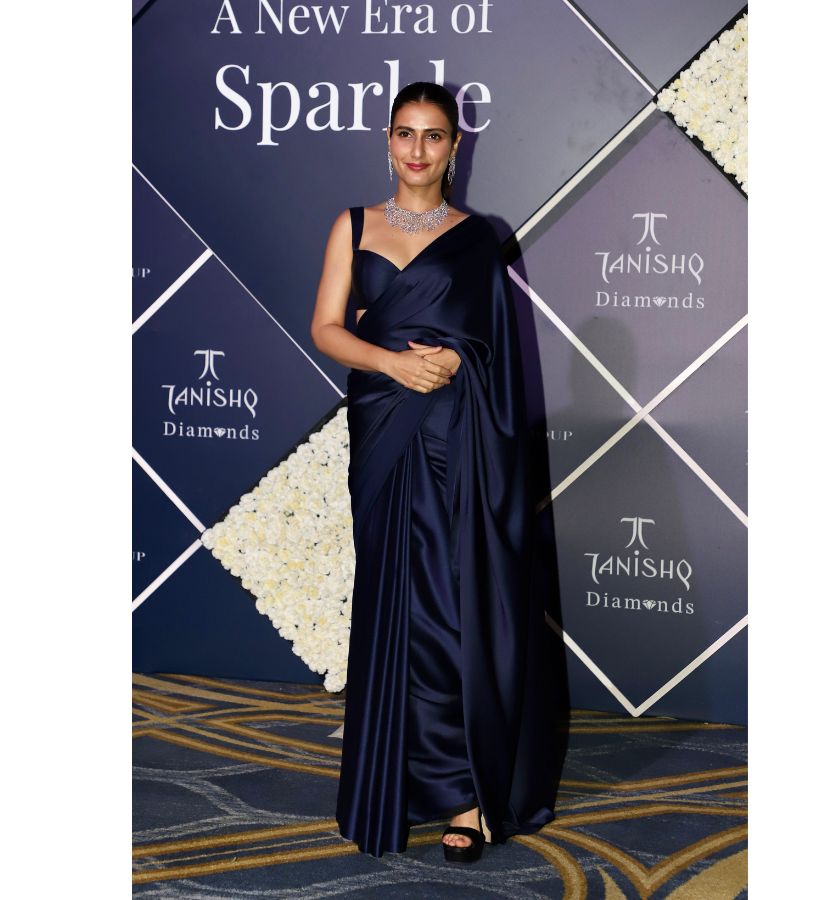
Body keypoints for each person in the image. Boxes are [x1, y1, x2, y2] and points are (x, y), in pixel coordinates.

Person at [310, 81, 560, 861]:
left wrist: (457, 359)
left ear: (455, 147)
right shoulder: (354, 225)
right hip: (384, 428)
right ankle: (397, 776)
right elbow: (326, 328)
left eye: (434, 135)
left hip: (457, 433)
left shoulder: (477, 238)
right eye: (405, 133)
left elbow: (493, 347)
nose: (417, 149)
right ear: (386, 140)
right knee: (395, 600)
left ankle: (466, 790)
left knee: (452, 600)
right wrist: (391, 363)